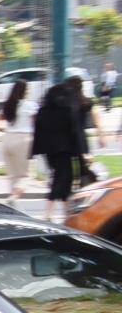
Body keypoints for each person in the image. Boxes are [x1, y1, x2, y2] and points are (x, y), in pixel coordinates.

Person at [31, 75, 94, 220]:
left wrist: (36, 151)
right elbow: (75, 131)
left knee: (62, 178)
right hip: (64, 149)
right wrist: (83, 152)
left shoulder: (42, 111)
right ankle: (49, 212)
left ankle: (65, 211)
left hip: (49, 151)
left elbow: (37, 132)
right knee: (62, 179)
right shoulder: (67, 111)